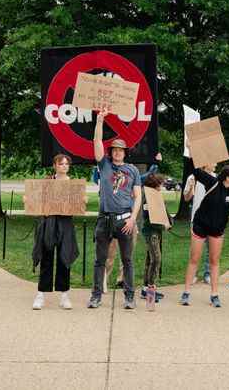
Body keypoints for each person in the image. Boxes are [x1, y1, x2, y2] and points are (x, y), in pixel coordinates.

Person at [87, 110, 142, 310]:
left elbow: (138, 197)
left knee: (127, 260)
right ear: (111, 152)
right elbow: (97, 142)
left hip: (125, 220)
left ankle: (129, 296)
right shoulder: (105, 165)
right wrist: (100, 120)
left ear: (125, 153)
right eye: (115, 150)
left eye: (121, 150)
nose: (117, 152)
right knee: (99, 260)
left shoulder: (132, 170)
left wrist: (133, 219)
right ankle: (96, 295)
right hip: (104, 219)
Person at [180, 160, 229, 307]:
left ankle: (214, 294)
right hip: (200, 225)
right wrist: (192, 153)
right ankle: (186, 293)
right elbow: (195, 169)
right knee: (194, 259)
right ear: (227, 177)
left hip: (217, 230)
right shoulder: (212, 182)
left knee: (214, 261)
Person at [102, 153, 162, 293]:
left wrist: (155, 162)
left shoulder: (132, 178)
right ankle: (104, 279)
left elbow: (147, 176)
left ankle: (122, 279)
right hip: (111, 219)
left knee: (127, 253)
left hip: (128, 219)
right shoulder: (106, 176)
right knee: (110, 253)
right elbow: (97, 175)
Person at [32, 154, 80, 310]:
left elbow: (76, 205)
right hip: (49, 222)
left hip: (65, 223)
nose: (64, 166)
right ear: (55, 165)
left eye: (67, 164)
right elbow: (38, 201)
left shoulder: (73, 184)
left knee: (64, 257)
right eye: (61, 164)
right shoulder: (48, 182)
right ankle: (41, 295)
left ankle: (64, 295)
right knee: (46, 256)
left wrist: (81, 201)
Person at [140, 173, 172, 304]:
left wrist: (169, 221)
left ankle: (145, 289)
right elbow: (151, 217)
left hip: (157, 232)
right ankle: (150, 290)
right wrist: (163, 224)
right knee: (156, 259)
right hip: (151, 232)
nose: (162, 186)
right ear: (155, 185)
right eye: (160, 184)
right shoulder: (148, 199)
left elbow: (164, 212)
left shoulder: (157, 197)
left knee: (150, 260)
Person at [183, 163, 216, 285]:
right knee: (195, 249)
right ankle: (193, 274)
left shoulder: (217, 178)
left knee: (210, 249)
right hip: (197, 219)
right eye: (214, 161)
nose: (216, 164)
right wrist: (192, 187)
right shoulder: (192, 177)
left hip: (212, 219)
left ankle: (208, 274)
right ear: (206, 163)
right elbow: (186, 198)